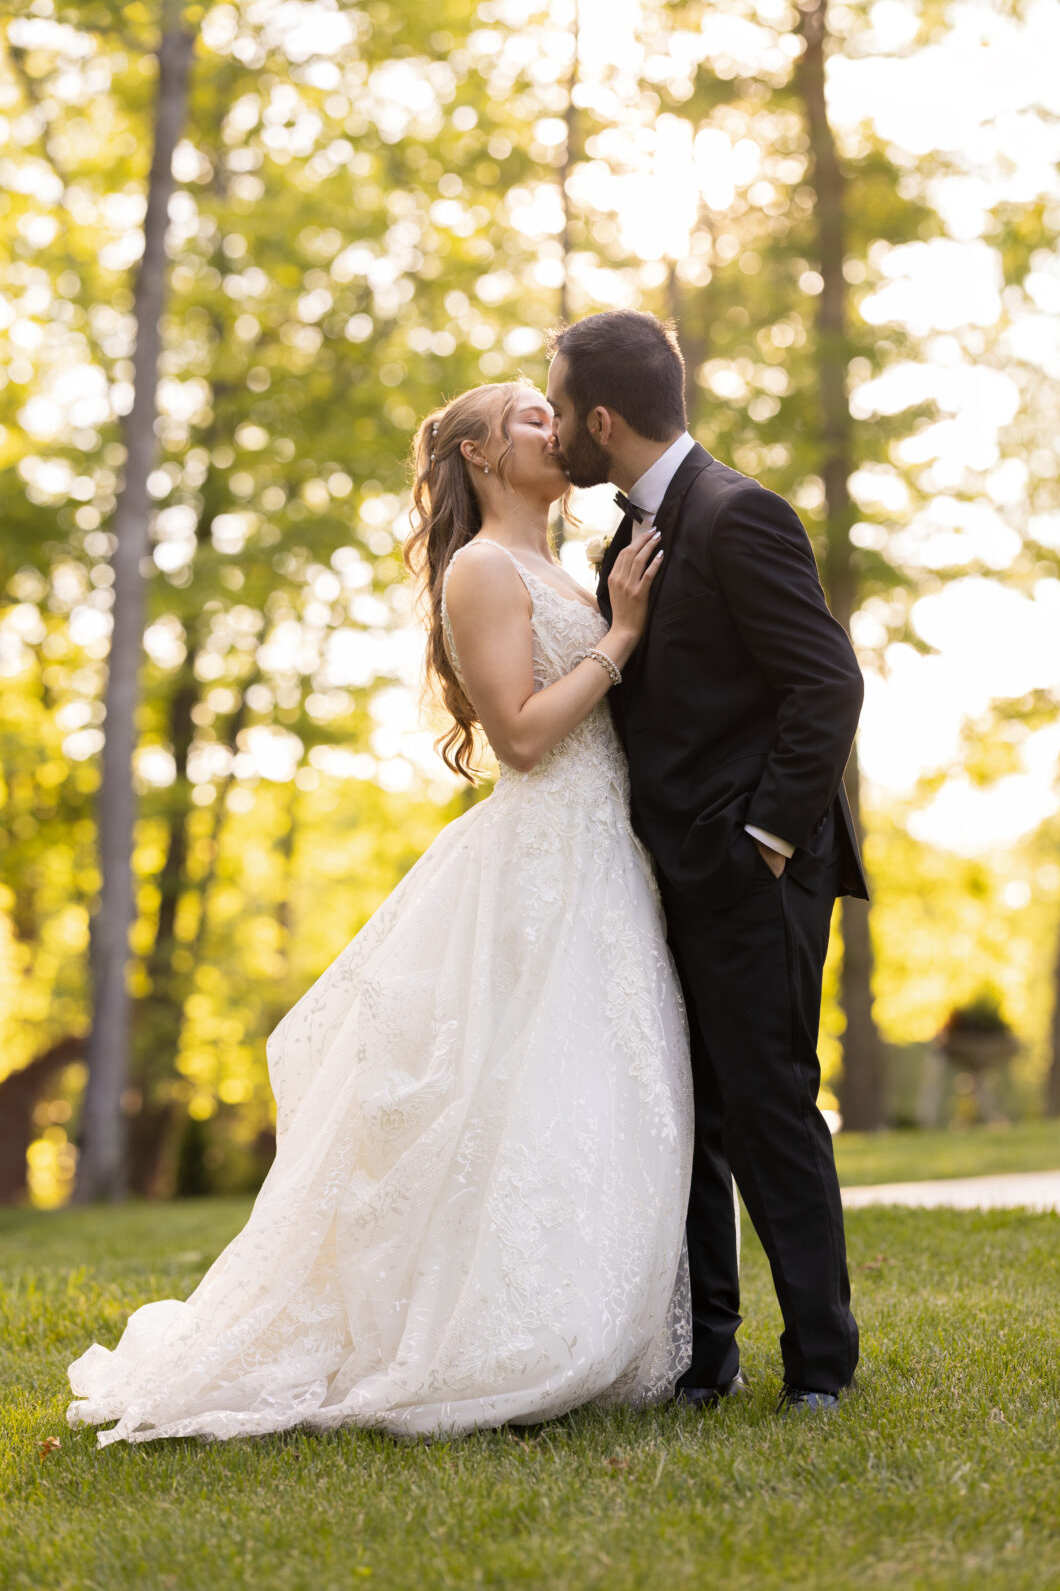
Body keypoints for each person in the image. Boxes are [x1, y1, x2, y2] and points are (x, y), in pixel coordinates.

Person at [66, 381, 696, 1447]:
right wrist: (622, 635)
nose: (557, 424)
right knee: (500, 1090)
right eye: (531, 417)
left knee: (583, 1089)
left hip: (598, 858)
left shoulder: (558, 563)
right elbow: (522, 737)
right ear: (483, 455)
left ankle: (570, 1316)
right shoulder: (483, 568)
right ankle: (479, 1337)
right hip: (535, 857)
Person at [547, 310, 867, 1414]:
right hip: (663, 874)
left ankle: (820, 1364)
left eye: (561, 411)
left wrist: (763, 840)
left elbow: (825, 686)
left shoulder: (738, 514)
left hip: (750, 872)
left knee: (771, 1107)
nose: (555, 434)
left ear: (602, 417)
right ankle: (705, 1356)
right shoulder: (631, 535)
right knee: (683, 1117)